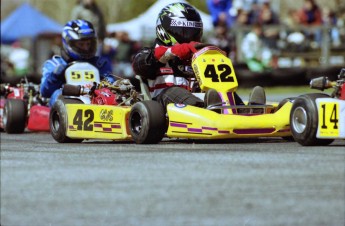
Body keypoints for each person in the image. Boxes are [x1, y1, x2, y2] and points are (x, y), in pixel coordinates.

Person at [132, 2, 265, 113]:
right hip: (163, 106)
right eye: (182, 32)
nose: (188, 38)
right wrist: (176, 51)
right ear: (165, 31)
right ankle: (210, 112)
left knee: (219, 90)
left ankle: (246, 112)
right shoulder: (149, 54)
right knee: (173, 91)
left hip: (203, 99)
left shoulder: (197, 56)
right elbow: (140, 65)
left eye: (193, 33)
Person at [40, 19, 116, 107]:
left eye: (88, 44)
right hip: (65, 106)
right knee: (57, 93)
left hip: (96, 103)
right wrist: (55, 76)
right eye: (81, 44)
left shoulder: (100, 64)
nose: (86, 48)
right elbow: (44, 92)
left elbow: (111, 87)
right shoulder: (54, 64)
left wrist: (105, 82)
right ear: (68, 43)